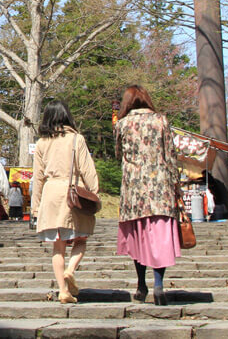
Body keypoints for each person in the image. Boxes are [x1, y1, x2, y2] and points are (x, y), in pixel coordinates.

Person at [114, 85, 181, 306]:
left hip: (134, 191)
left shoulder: (122, 124)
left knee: (138, 237)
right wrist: (176, 185)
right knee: (160, 237)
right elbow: (171, 155)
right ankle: (158, 284)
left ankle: (141, 284)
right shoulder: (161, 121)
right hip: (160, 188)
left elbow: (118, 154)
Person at [31, 100, 99, 304]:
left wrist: (35, 207)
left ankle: (62, 290)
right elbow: (87, 168)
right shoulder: (76, 139)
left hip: (51, 193)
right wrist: (94, 193)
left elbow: (38, 176)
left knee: (57, 247)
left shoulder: (41, 143)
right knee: (81, 239)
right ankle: (70, 270)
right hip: (73, 193)